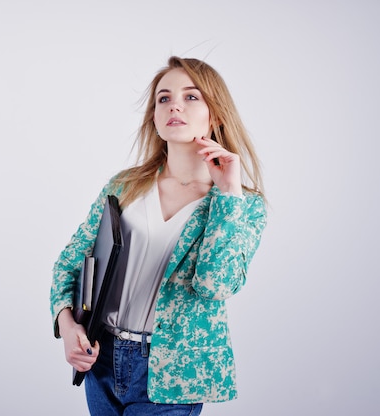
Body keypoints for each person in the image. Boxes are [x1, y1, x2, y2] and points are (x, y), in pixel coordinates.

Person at [50, 56, 267, 415]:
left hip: (175, 374)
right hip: (102, 361)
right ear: (154, 116)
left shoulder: (243, 206)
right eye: (164, 98)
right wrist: (67, 324)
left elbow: (215, 285)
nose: (174, 106)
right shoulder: (125, 186)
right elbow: (70, 260)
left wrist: (227, 194)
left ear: (215, 114)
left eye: (191, 97)